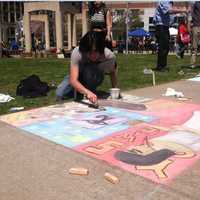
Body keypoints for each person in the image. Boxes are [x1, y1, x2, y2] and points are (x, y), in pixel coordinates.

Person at [56, 31, 118, 104]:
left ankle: (88, 90)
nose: (92, 55)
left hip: (93, 75)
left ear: (101, 49)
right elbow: (73, 80)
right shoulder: (77, 52)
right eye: (89, 52)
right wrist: (87, 92)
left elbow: (112, 71)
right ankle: (85, 90)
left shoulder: (109, 56)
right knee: (60, 93)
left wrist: (115, 90)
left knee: (89, 71)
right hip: (78, 74)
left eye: (95, 51)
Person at [153, 1, 187, 72]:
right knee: (163, 47)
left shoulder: (169, 2)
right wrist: (182, 10)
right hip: (161, 26)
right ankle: (161, 67)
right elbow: (169, 11)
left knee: (165, 47)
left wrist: (180, 10)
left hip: (164, 26)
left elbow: (172, 9)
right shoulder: (164, 1)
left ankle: (162, 66)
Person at [189, 1, 200, 68]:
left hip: (196, 27)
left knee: (194, 47)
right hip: (196, 27)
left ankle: (193, 64)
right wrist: (189, 27)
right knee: (194, 46)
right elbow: (190, 16)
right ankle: (192, 64)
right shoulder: (195, 4)